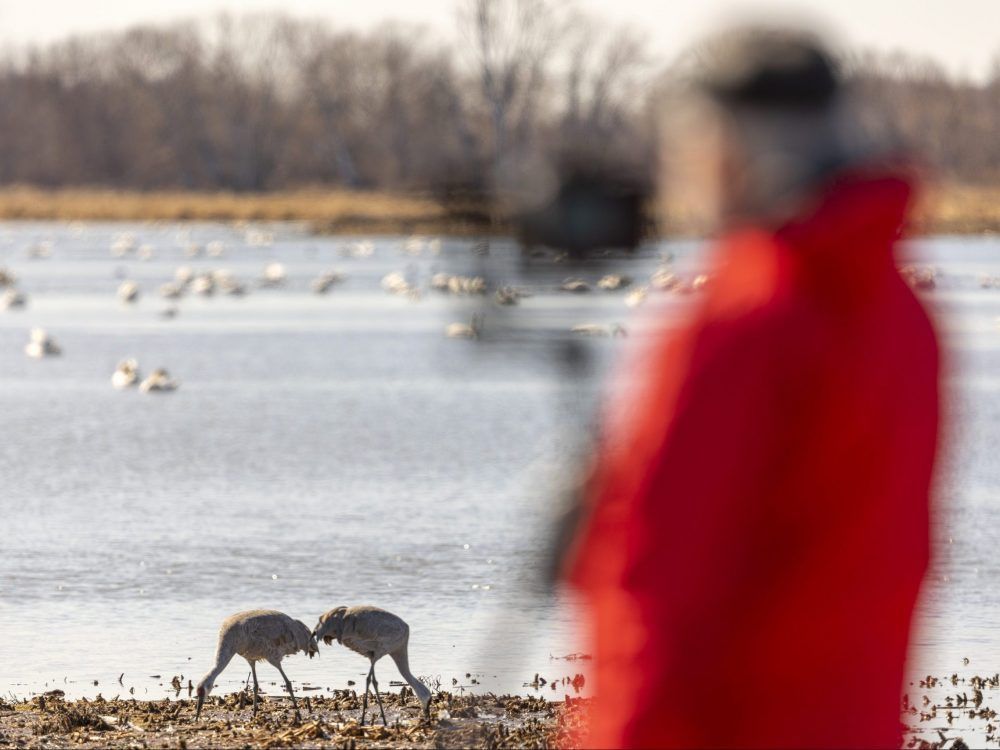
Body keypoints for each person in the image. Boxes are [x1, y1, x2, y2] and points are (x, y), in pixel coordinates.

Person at [564, 27, 941, 749]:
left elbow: (656, 594)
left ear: (731, 152)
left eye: (688, 147)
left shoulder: (743, 318)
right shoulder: (902, 313)